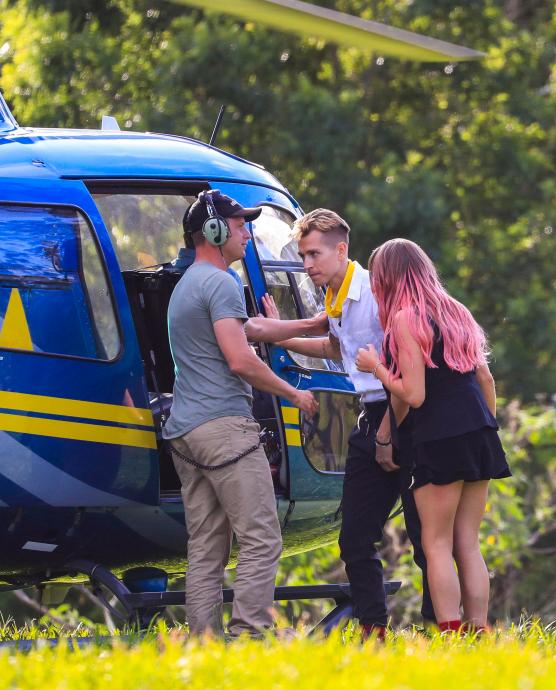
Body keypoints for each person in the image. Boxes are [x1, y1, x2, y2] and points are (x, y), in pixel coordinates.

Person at [245, 209, 434, 639]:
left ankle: (443, 624)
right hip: (369, 413)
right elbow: (336, 345)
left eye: (313, 255)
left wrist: (388, 433)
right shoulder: (333, 295)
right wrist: (276, 334)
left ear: (342, 250)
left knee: (424, 534)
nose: (306, 264)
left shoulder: (371, 291)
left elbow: (403, 370)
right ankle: (374, 630)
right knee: (354, 538)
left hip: (400, 410)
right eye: (302, 255)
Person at [163, 190, 318, 638]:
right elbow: (240, 358)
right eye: (239, 225)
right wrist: (295, 394)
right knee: (262, 536)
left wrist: (310, 325)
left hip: (187, 433)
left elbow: (250, 328)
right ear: (212, 232)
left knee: (207, 545)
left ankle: (203, 641)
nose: (247, 234)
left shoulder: (189, 285)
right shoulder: (221, 282)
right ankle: (250, 632)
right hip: (225, 430)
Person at [355, 238, 511, 634]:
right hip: (478, 431)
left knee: (436, 542)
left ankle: (451, 631)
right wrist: (484, 428)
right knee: (468, 543)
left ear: (388, 279)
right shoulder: (456, 311)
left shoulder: (407, 318)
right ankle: (480, 628)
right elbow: (484, 377)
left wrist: (376, 368)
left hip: (437, 437)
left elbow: (414, 394)